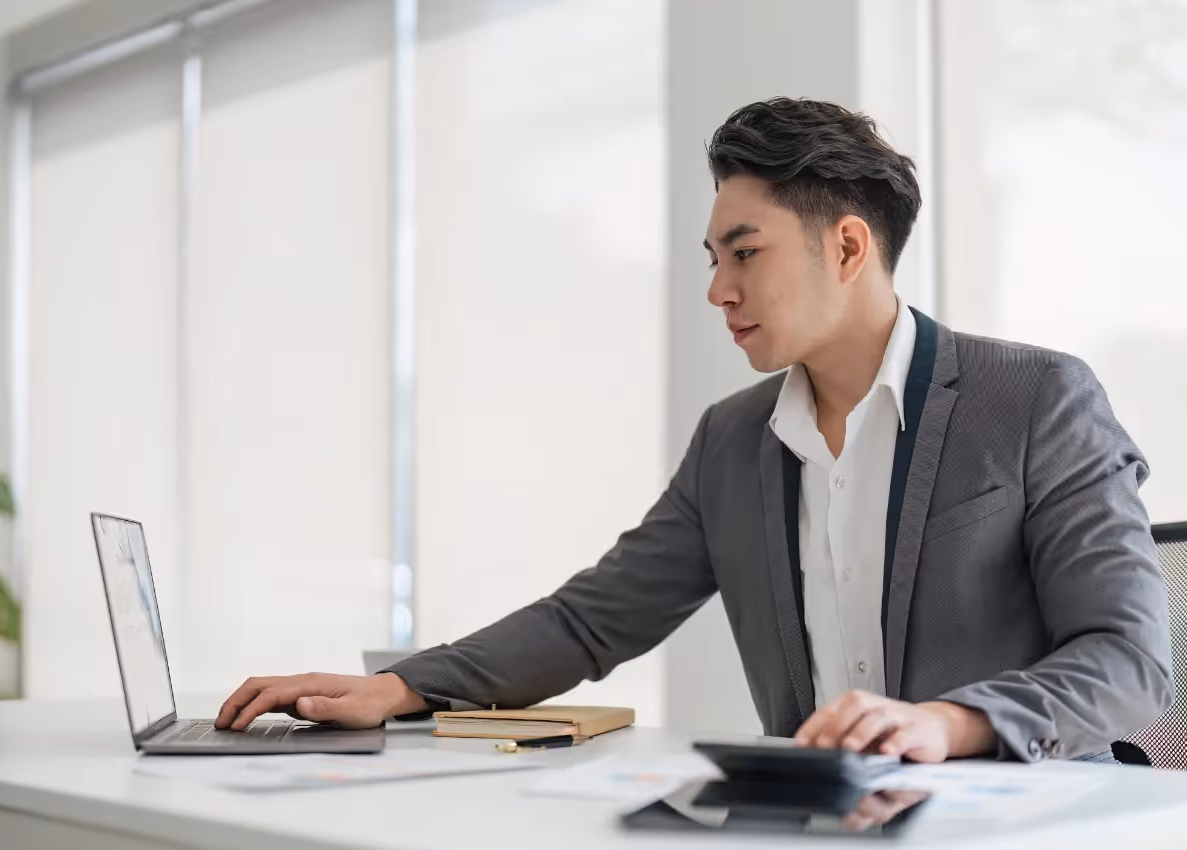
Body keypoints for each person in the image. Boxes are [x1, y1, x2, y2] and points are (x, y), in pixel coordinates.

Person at [216, 97, 1172, 763]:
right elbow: (594, 619)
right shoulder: (734, 439)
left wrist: (947, 723)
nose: (718, 289)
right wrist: (401, 689)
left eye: (744, 253)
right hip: (827, 823)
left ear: (847, 244)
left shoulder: (1037, 397)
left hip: (1029, 813)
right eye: (714, 258)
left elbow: (1131, 663)